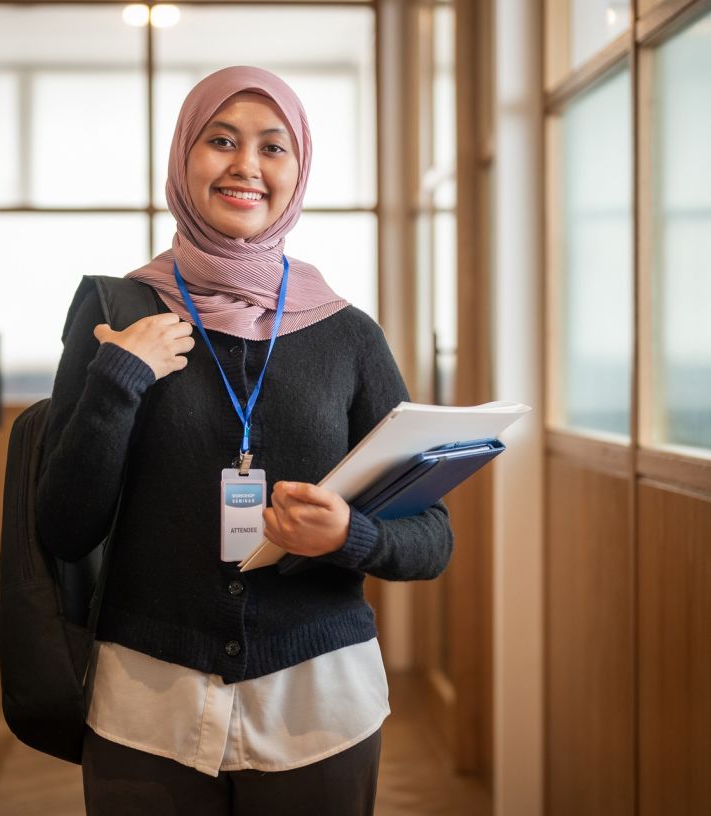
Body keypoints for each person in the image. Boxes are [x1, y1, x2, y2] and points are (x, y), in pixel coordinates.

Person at [36, 65, 453, 816]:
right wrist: (118, 379)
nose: (245, 167)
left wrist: (349, 535)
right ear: (181, 159)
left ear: (298, 173)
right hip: (147, 707)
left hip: (320, 707)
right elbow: (65, 528)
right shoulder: (114, 310)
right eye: (219, 140)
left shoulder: (349, 336)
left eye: (273, 147)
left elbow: (431, 538)